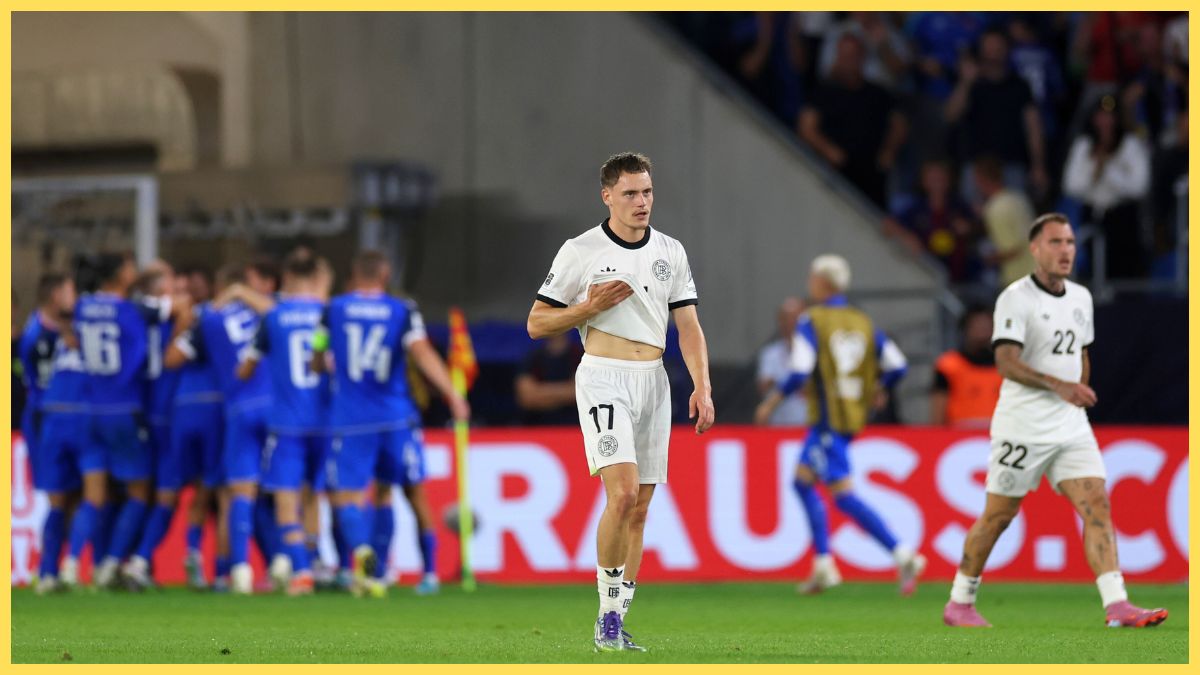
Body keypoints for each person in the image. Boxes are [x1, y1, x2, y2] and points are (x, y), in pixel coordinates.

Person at [527, 152, 715, 652]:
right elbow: (536, 323)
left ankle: (615, 616)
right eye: (630, 193)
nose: (641, 202)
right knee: (624, 492)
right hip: (604, 376)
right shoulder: (581, 250)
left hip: (654, 379)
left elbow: (689, 327)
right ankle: (607, 617)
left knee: (641, 507)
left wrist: (702, 385)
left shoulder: (671, 251)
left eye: (647, 191)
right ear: (607, 196)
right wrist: (588, 308)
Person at [943, 213, 1168, 629]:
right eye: (1055, 243)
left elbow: (1080, 350)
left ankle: (1117, 605)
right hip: (1022, 425)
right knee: (998, 516)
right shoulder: (1016, 297)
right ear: (1035, 249)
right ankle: (960, 601)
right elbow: (1005, 361)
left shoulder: (1081, 297)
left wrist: (1078, 388)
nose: (1065, 250)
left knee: (1097, 503)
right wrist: (1058, 386)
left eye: (1069, 243)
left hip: (1069, 424)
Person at [754, 254, 923, 595]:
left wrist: (771, 401)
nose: (809, 282)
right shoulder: (862, 321)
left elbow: (801, 369)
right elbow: (897, 366)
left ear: (822, 282)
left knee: (842, 496)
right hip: (850, 416)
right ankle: (825, 563)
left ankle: (900, 553)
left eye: (812, 277)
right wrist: (880, 388)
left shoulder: (812, 320)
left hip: (829, 418)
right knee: (802, 483)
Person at [314, 250, 469, 598]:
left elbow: (319, 350)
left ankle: (367, 557)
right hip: (396, 417)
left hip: (351, 420)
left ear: (355, 275)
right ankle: (428, 574)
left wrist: (319, 364)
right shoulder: (402, 310)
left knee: (346, 497)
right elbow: (421, 351)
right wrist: (453, 395)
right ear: (384, 275)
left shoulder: (333, 309)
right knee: (409, 492)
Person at [165, 261, 276, 594]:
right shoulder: (265, 313)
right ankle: (299, 566)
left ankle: (225, 570)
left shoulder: (209, 317)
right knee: (288, 493)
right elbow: (282, 313)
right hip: (274, 408)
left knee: (226, 491)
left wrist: (186, 323)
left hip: (230, 410)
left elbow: (171, 359)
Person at [238, 248, 331, 595]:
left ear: (287, 278)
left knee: (286, 499)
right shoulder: (327, 313)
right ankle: (324, 562)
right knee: (315, 498)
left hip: (287, 423)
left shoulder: (273, 317)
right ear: (318, 279)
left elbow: (245, 369)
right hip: (325, 422)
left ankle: (301, 572)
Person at [18, 273, 78, 592]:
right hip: (46, 421)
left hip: (68, 419)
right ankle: (48, 571)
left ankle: (62, 568)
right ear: (56, 295)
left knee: (74, 498)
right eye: (70, 290)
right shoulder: (38, 337)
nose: (75, 296)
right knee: (58, 499)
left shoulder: (59, 330)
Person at [799, 33, 908, 208]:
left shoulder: (878, 93)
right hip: (834, 172)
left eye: (853, 55)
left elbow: (899, 123)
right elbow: (807, 127)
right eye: (844, 55)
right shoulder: (823, 91)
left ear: (862, 58)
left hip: (872, 173)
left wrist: (888, 152)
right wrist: (830, 152)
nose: (848, 60)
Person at [167, 265, 225, 590]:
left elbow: (170, 358)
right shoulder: (215, 318)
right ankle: (223, 570)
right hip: (214, 409)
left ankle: (193, 554)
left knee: (179, 491)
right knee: (215, 489)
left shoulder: (187, 316)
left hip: (182, 408)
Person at [946, 29, 1048, 203]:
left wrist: (1038, 165)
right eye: (989, 48)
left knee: (1012, 219)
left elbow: (1034, 128)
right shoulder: (971, 84)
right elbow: (950, 115)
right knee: (974, 223)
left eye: (998, 47)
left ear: (1007, 49)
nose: (993, 53)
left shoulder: (1020, 86)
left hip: (1012, 164)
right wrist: (966, 82)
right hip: (976, 166)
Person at [1062, 95, 1151, 279]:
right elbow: (1071, 185)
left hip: (1122, 216)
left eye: (1110, 117)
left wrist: (1109, 170)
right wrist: (1095, 169)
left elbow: (1139, 187)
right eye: (1101, 116)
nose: (1105, 122)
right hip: (1093, 213)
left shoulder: (1130, 145)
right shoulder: (1083, 146)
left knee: (1125, 271)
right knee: (1094, 269)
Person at [930, 305, 1002, 429]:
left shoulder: (1007, 367)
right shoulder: (949, 365)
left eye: (986, 327)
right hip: (960, 438)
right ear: (965, 330)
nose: (982, 333)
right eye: (977, 327)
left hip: (1000, 435)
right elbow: (938, 409)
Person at [974, 156, 1036, 287]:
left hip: (1019, 280)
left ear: (980, 180)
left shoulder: (994, 208)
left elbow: (1012, 250)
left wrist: (987, 259)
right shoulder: (1019, 197)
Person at [755, 297, 808, 426]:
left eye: (795, 318)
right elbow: (763, 385)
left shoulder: (814, 353)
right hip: (778, 425)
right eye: (786, 319)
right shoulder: (770, 353)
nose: (790, 323)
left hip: (807, 425)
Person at [515, 332, 584, 426]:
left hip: (573, 428)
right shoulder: (533, 357)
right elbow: (527, 398)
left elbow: (581, 393)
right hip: (538, 427)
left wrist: (541, 392)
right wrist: (566, 392)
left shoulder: (580, 355)